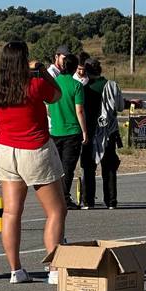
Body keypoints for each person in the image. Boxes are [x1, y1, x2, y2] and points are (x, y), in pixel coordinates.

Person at [0, 41, 67, 284]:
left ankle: (16, 269)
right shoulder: (35, 84)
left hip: (6, 151)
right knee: (56, 211)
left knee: (11, 212)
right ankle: (54, 268)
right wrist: (42, 70)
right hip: (34, 150)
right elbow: (56, 95)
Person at [81, 59, 124, 209]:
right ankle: (111, 201)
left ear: (86, 71)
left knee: (88, 167)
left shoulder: (83, 87)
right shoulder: (112, 85)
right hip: (109, 132)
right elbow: (120, 107)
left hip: (89, 131)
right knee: (109, 167)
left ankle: (88, 201)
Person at [48, 53, 88, 209]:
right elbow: (79, 111)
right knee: (68, 168)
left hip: (55, 130)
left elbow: (48, 107)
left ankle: (55, 197)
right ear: (74, 68)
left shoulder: (54, 83)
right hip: (72, 132)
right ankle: (64, 197)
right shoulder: (76, 86)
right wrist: (85, 131)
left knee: (55, 167)